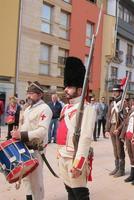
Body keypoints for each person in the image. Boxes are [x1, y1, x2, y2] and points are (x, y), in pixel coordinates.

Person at [56, 57, 96, 200]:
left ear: (79, 89)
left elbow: (85, 138)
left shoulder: (87, 108)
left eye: (69, 87)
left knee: (80, 194)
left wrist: (79, 165)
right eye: (66, 86)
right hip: (63, 156)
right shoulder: (66, 107)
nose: (66, 89)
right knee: (70, 192)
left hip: (74, 158)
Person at [11, 81, 52, 200]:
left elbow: (42, 132)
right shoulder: (27, 108)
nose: (28, 96)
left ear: (40, 95)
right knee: (25, 178)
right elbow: (24, 125)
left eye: (32, 93)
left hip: (36, 150)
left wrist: (21, 135)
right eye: (28, 93)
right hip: (24, 148)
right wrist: (16, 133)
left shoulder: (45, 109)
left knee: (36, 181)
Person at [105, 84, 126, 177]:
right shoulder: (112, 103)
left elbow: (126, 119)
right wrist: (106, 129)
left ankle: (121, 170)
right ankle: (117, 167)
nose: (114, 93)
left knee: (120, 149)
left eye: (116, 91)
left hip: (119, 128)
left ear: (120, 92)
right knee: (115, 149)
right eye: (113, 91)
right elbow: (108, 117)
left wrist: (119, 129)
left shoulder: (124, 103)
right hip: (112, 127)